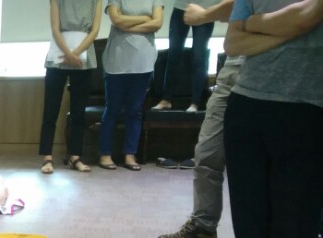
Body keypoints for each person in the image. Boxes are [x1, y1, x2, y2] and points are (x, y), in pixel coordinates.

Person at [217, 0, 322, 238]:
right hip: (247, 102)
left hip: (307, 106)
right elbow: (234, 43)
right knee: (250, 211)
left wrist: (257, 25)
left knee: (295, 217)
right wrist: (288, 29)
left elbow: (306, 19)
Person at [156, 0, 242, 238]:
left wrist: (205, 14)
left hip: (265, 72)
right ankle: (203, 227)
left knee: (250, 165)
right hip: (231, 71)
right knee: (206, 154)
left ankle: (250, 236)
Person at [98, 0, 164, 171]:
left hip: (143, 62)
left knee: (134, 111)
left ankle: (130, 154)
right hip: (116, 61)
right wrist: (145, 18)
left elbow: (157, 23)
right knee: (112, 110)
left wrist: (127, 25)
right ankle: (105, 154)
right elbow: (117, 21)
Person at [38, 0, 103, 174]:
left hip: (84, 55)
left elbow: (95, 30)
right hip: (58, 53)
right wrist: (69, 54)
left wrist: (76, 54)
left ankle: (75, 157)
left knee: (78, 112)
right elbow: (55, 29)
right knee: (51, 110)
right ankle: (47, 157)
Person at [152, 0, 220, 112]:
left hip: (206, 9)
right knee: (173, 55)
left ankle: (195, 103)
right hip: (181, 7)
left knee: (199, 57)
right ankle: (166, 99)